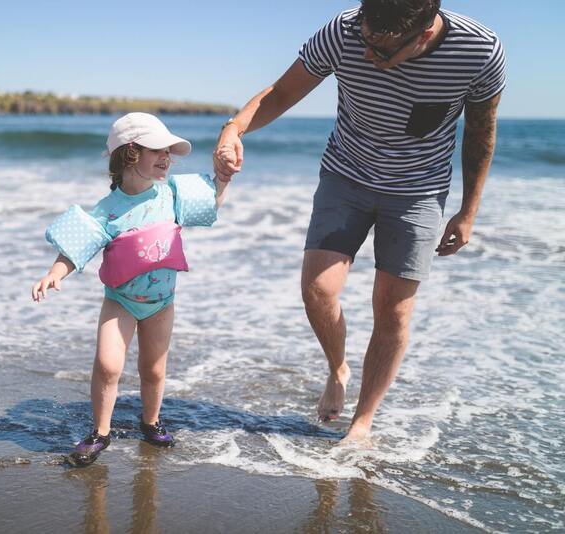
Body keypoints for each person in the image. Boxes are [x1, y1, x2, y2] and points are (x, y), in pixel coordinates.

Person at [214, 0, 505, 444]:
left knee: (393, 310)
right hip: (345, 175)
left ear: (423, 35)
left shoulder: (480, 51)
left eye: (383, 51)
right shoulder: (345, 30)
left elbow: (481, 131)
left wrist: (468, 211)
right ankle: (337, 368)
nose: (369, 54)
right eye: (366, 41)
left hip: (418, 191)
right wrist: (234, 129)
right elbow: (282, 92)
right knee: (318, 289)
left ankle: (362, 423)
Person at [33, 112, 233, 465]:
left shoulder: (171, 194)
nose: (166, 157)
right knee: (108, 365)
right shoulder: (109, 209)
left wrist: (224, 179)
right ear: (129, 154)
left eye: (169, 151)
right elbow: (79, 244)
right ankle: (101, 432)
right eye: (157, 150)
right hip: (121, 301)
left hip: (161, 302)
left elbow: (211, 202)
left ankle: (151, 421)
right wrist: (55, 272)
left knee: (153, 368)